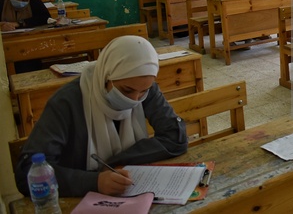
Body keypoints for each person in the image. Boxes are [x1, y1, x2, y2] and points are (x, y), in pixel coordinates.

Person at [14, 36, 188, 197]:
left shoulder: (144, 88)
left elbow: (175, 137)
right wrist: (94, 181)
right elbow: (29, 172)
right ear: (106, 76)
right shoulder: (67, 102)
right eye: (126, 90)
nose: (134, 100)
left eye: (143, 92)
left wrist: (115, 161)